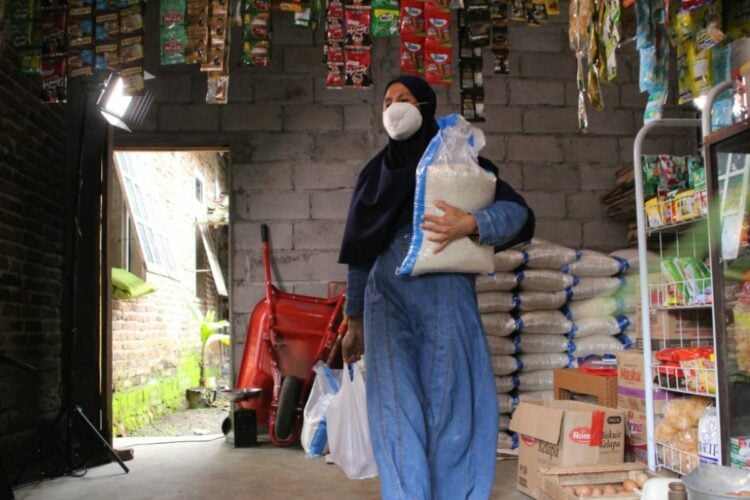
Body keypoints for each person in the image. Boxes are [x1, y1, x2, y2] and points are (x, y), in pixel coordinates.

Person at [338, 75, 534, 500]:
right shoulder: (375, 174)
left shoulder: (457, 162)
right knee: (394, 408)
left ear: (425, 105)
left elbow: (518, 213)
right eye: (387, 101)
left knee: (451, 405)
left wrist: (474, 223)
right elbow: (359, 252)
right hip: (385, 301)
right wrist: (353, 321)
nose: (394, 108)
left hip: (444, 293)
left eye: (404, 99)